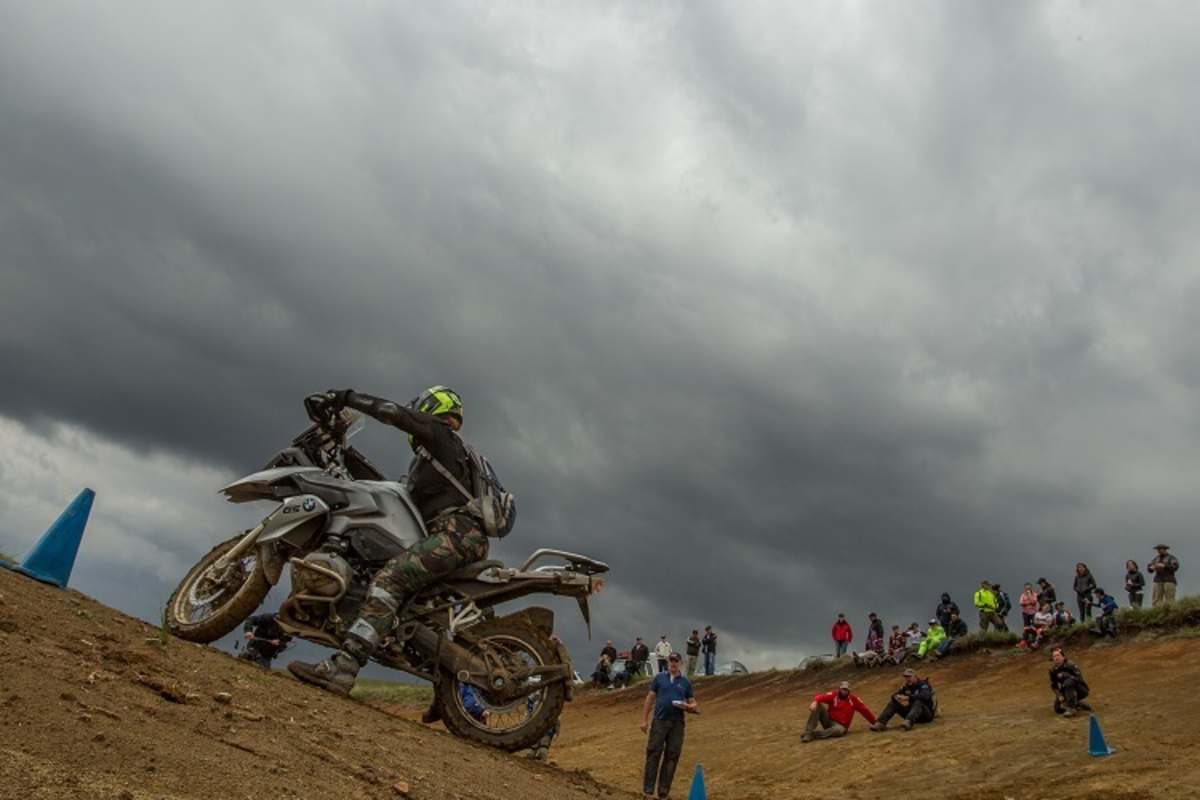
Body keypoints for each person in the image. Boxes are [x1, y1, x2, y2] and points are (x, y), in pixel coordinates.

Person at [288, 386, 499, 695]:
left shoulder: (441, 434)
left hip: (454, 534)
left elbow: (391, 413)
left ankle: (343, 668)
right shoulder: (449, 457)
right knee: (423, 606)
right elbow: (395, 495)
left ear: (431, 408)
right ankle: (446, 691)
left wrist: (344, 398)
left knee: (390, 579)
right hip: (461, 536)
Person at [640, 652, 697, 799]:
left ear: (680, 663)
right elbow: (650, 698)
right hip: (659, 720)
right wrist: (644, 720)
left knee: (672, 754)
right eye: (671, 660)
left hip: (677, 723)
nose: (673, 663)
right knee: (653, 752)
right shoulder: (659, 678)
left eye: (676, 661)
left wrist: (689, 706)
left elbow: (693, 702)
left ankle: (663, 791)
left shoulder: (685, 682)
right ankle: (648, 790)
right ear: (667, 662)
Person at [801, 680, 877, 743]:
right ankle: (808, 733)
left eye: (846, 690)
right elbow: (821, 696)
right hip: (828, 720)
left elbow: (865, 711)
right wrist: (815, 701)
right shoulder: (834, 695)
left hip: (841, 726)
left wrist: (875, 723)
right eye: (843, 689)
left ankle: (813, 735)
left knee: (838, 730)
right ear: (840, 689)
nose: (844, 691)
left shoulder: (854, 700)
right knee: (818, 705)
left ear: (849, 691)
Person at [870, 669, 936, 731]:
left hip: (926, 715)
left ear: (915, 676)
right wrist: (898, 697)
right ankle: (881, 723)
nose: (907, 679)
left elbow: (925, 696)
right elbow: (893, 696)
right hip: (913, 714)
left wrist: (908, 698)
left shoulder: (923, 685)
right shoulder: (906, 687)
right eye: (906, 677)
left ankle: (908, 722)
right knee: (894, 703)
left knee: (919, 701)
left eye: (909, 677)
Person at [1048, 647, 1091, 717]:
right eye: (1054, 656)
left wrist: (1067, 675)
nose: (1056, 658)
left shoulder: (1071, 665)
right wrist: (1059, 695)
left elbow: (1079, 679)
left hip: (1080, 689)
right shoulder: (1052, 670)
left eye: (1058, 655)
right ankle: (1076, 703)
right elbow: (1054, 685)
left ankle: (1071, 709)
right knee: (1057, 709)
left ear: (1063, 657)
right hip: (1065, 689)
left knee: (1068, 682)